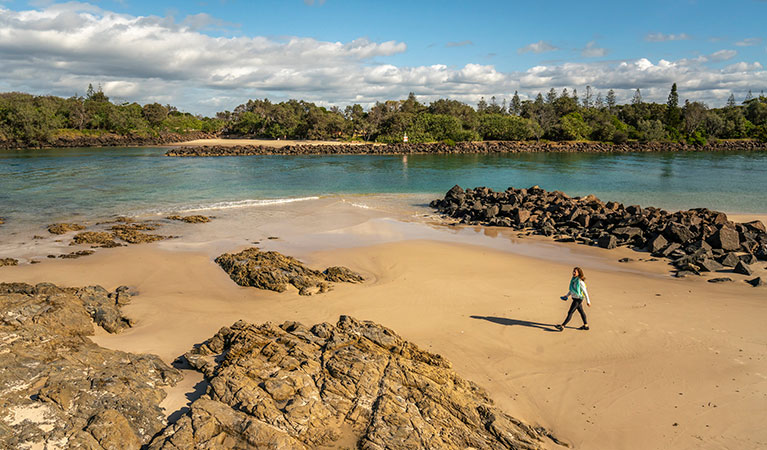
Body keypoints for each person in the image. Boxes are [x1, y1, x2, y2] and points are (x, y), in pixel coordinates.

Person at [555, 267, 590, 331]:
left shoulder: (580, 282)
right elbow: (572, 290)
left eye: (575, 272)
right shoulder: (573, 280)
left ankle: (562, 326)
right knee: (581, 312)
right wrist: (567, 296)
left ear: (579, 273)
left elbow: (585, 292)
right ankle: (586, 325)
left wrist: (588, 301)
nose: (573, 273)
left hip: (578, 299)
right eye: (573, 271)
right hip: (575, 298)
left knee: (570, 312)